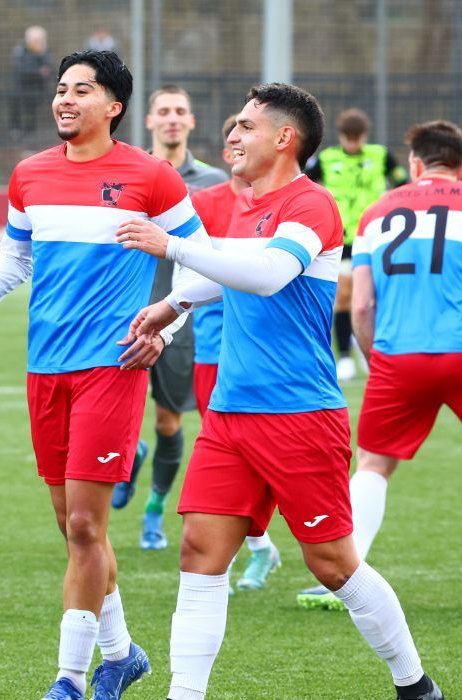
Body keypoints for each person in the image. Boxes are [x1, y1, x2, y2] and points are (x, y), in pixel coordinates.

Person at [104, 83, 444, 700]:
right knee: (201, 550)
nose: (232, 135)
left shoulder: (310, 204)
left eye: (246, 126)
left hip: (299, 415)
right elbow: (230, 270)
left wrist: (170, 247)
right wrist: (170, 311)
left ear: (285, 139)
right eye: (233, 125)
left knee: (333, 565)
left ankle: (416, 687)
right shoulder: (246, 206)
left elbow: (266, 274)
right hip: (230, 414)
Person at [0, 50, 208, 700]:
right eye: (61, 89)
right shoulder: (29, 173)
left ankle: (69, 678)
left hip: (111, 368)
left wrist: (165, 328)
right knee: (71, 526)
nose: (65, 99)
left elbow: (203, 265)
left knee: (88, 525)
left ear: (113, 106)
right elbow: (17, 256)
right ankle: (121, 654)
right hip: (45, 368)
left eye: (81, 90)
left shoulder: (150, 177)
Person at [298, 119, 462, 612]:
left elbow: (361, 307)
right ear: (461, 165)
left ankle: (343, 580)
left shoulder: (375, 213)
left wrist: (379, 363)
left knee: (374, 464)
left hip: (398, 357)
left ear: (414, 165)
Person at [112, 85, 228, 552]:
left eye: (180, 111)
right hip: (126, 311)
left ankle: (154, 512)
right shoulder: (129, 175)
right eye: (164, 111)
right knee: (113, 415)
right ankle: (128, 453)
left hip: (181, 318)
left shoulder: (215, 181)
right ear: (150, 121)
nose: (172, 118)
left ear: (191, 121)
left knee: (167, 421)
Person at [187, 113, 280, 592]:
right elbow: (187, 270)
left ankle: (260, 548)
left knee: (267, 459)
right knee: (226, 460)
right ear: (228, 153)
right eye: (237, 140)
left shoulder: (287, 205)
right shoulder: (205, 204)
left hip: (266, 354)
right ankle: (253, 550)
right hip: (212, 350)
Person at [306, 108, 408, 381]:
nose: (353, 144)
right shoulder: (327, 159)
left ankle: (370, 345)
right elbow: (303, 185)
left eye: (357, 138)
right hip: (341, 239)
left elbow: (403, 184)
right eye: (348, 138)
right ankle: (344, 357)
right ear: (340, 136)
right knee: (343, 295)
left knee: (374, 296)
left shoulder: (380, 156)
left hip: (376, 237)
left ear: (365, 135)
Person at [10, 26, 55, 138]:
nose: (38, 43)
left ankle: (31, 132)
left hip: (38, 88)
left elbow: (49, 67)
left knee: (32, 111)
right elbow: (20, 68)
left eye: (40, 40)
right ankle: (18, 130)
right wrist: (38, 72)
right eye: (35, 40)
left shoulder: (44, 51)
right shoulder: (20, 50)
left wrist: (41, 56)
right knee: (19, 106)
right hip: (22, 87)